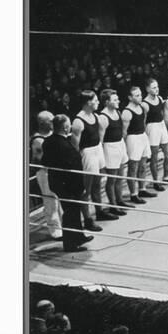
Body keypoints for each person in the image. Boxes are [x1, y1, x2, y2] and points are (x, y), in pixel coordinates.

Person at [41, 115, 94, 251]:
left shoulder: (48, 141)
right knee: (70, 212)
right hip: (68, 185)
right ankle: (70, 244)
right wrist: (80, 186)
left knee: (74, 211)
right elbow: (73, 167)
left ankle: (79, 236)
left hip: (59, 182)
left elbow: (45, 161)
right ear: (65, 128)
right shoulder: (64, 144)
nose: (70, 126)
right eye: (69, 124)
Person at [71, 91, 113, 231]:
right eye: (95, 100)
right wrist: (78, 163)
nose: (98, 102)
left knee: (97, 184)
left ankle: (99, 211)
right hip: (87, 153)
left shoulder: (95, 116)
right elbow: (75, 146)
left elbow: (99, 136)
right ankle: (88, 220)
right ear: (88, 102)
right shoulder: (78, 121)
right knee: (86, 189)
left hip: (97, 150)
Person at [98, 89, 131, 216]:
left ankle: (120, 200)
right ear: (107, 102)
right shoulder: (103, 117)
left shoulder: (117, 112)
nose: (118, 101)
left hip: (119, 144)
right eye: (115, 100)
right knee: (111, 179)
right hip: (109, 148)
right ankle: (113, 205)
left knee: (120, 176)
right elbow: (100, 140)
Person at [31, 111, 63, 240]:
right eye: (51, 121)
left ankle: (63, 226)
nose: (53, 123)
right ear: (43, 123)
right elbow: (41, 159)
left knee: (59, 199)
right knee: (50, 201)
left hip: (56, 170)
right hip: (45, 172)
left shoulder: (52, 135)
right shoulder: (38, 140)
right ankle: (55, 230)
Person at [122, 86, 156, 204]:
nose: (140, 97)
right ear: (130, 98)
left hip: (142, 136)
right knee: (133, 167)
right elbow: (124, 132)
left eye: (140, 94)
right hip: (133, 138)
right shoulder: (126, 112)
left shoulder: (142, 107)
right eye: (136, 95)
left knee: (143, 165)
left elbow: (144, 122)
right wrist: (125, 146)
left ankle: (142, 189)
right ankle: (133, 194)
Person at [142, 78, 168, 187]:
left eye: (157, 87)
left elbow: (162, 114)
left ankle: (166, 176)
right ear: (147, 89)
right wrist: (145, 135)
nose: (156, 89)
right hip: (152, 128)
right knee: (154, 157)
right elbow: (143, 121)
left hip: (161, 126)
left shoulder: (159, 99)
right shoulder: (144, 104)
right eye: (154, 87)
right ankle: (156, 181)